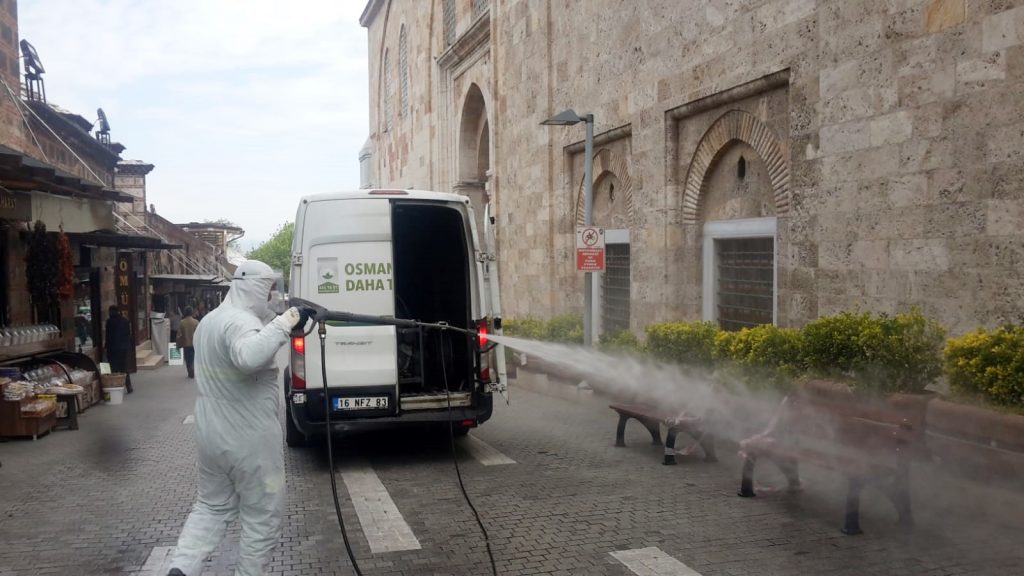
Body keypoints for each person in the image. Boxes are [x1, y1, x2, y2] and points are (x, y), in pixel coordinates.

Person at [168, 260, 306, 576]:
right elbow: (248, 356)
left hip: (211, 436)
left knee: (211, 507)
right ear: (255, 288)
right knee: (262, 515)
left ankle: (182, 567)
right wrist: (287, 320)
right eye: (270, 289)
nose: (273, 296)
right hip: (249, 439)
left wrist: (281, 319)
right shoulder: (240, 323)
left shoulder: (211, 321)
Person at [104, 306, 133, 393]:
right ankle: (129, 386)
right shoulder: (125, 321)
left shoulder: (109, 322)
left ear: (111, 312)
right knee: (124, 367)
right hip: (124, 347)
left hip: (113, 348)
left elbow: (108, 336)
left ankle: (115, 386)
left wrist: (106, 347)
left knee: (113, 368)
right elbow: (128, 334)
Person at [176, 307, 199, 379]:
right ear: (192, 313)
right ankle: (193, 370)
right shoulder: (196, 322)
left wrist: (178, 345)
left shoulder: (182, 322)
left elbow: (179, 335)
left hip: (186, 343)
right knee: (194, 357)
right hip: (194, 344)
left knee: (188, 358)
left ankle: (190, 371)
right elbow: (199, 334)